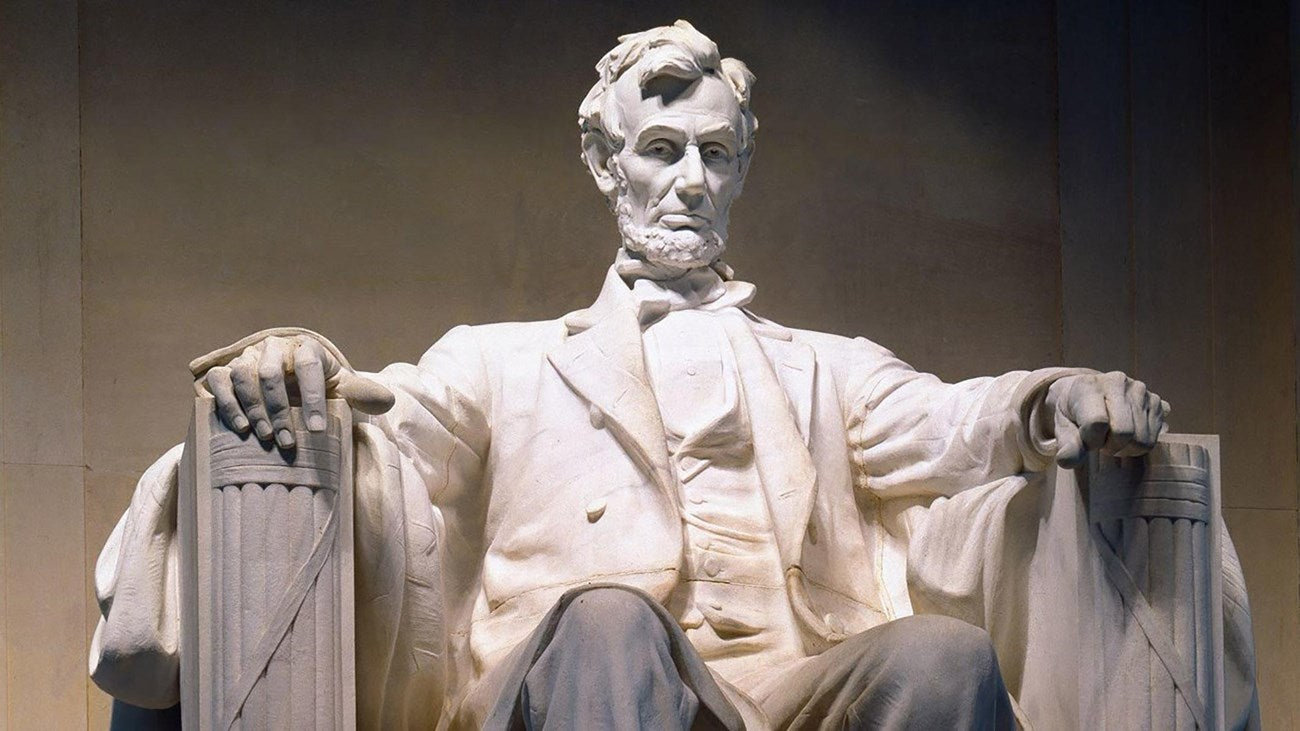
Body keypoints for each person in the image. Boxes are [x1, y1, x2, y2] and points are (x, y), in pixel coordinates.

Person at [93, 20, 1204, 730]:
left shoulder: (826, 369)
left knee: (945, 658)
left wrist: (1051, 399)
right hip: (576, 677)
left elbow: (955, 421)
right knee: (610, 622)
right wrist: (304, 370)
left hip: (793, 685)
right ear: (604, 162)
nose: (690, 180)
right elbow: (389, 426)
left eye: (715, 154)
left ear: (742, 170)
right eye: (662, 150)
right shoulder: (502, 357)